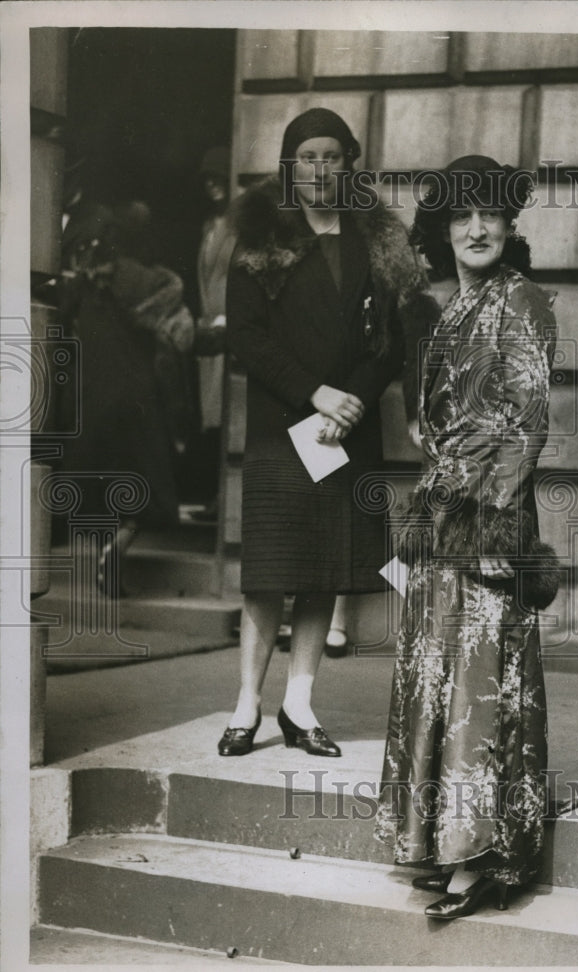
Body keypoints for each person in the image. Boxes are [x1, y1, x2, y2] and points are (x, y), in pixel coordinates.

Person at [219, 107, 439, 758]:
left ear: (350, 161)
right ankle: (245, 708)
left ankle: (299, 705)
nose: (320, 169)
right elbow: (246, 339)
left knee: (321, 571)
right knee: (268, 574)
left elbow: (395, 337)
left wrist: (356, 402)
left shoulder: (376, 237)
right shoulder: (262, 236)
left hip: (345, 432)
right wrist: (313, 393)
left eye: (332, 155)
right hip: (283, 429)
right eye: (307, 157)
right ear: (291, 166)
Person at [374, 155, 560, 920]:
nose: (477, 228)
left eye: (489, 214)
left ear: (510, 223)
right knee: (438, 676)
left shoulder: (523, 302)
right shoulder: (454, 307)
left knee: (486, 680)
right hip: (443, 516)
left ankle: (488, 852)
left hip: (485, 522)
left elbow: (525, 427)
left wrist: (481, 516)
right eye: (461, 215)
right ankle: (437, 841)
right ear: (442, 227)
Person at [54, 200, 193, 595]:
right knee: (151, 489)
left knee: (96, 487)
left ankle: (105, 556)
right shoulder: (148, 281)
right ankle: (119, 547)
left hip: (90, 398)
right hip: (138, 400)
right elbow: (177, 340)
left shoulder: (78, 286)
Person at [191, 146, 236, 520]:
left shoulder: (240, 225)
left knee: (228, 414)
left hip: (230, 331)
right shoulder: (209, 225)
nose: (211, 185)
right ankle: (216, 498)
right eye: (206, 180)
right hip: (209, 332)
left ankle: (225, 499)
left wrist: (231, 317)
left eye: (217, 177)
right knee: (212, 417)